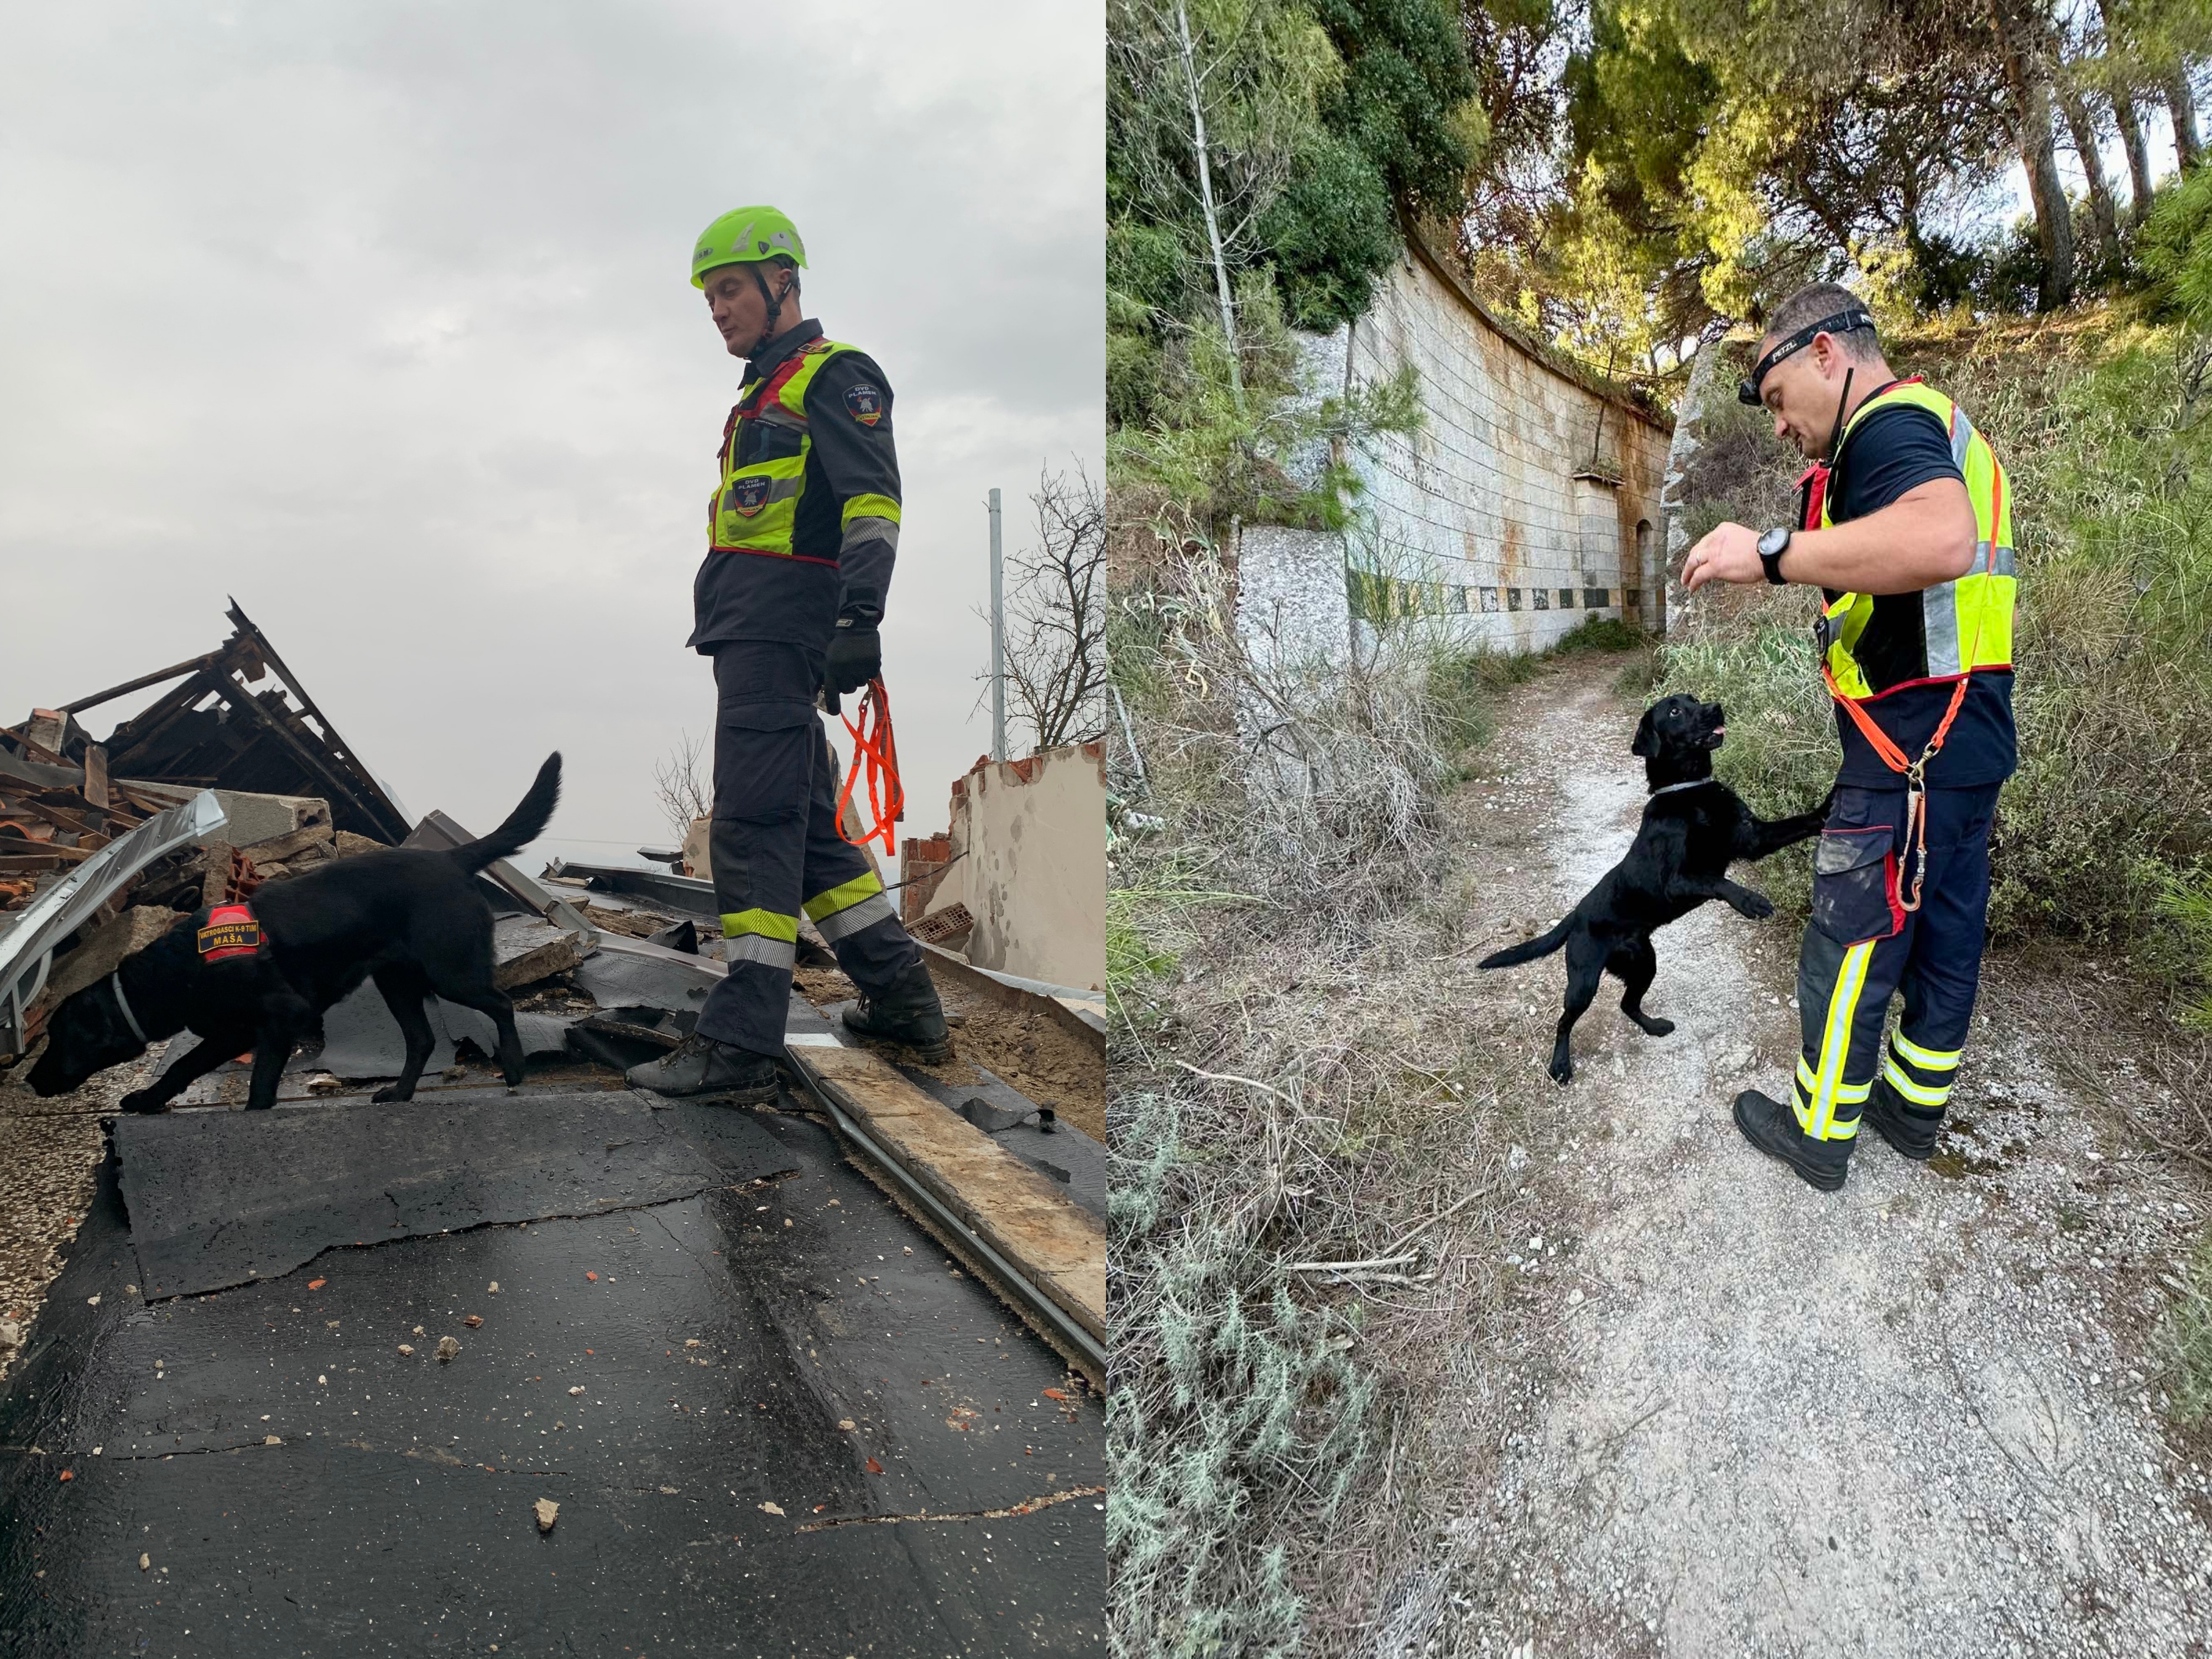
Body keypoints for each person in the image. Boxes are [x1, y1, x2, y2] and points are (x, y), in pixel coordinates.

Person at [1680, 281, 2017, 1191]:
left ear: (1825, 354)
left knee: (1851, 943)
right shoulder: (1947, 429)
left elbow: (1941, 539)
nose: (1781, 428)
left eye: (1780, 401)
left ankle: (1820, 1135)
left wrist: (1773, 552)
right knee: (1946, 936)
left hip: (1906, 750)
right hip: (1970, 745)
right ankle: (1911, 1114)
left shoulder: (1888, 426)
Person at [629, 206, 950, 1101]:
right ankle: (905, 1002)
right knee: (808, 833)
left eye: (729, 288)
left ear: (783, 282)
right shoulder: (759, 395)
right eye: (709, 295)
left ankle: (738, 1044)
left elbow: (873, 503)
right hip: (753, 630)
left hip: (782, 630)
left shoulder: (834, 376)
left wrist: (860, 617)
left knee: (751, 823)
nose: (717, 308)